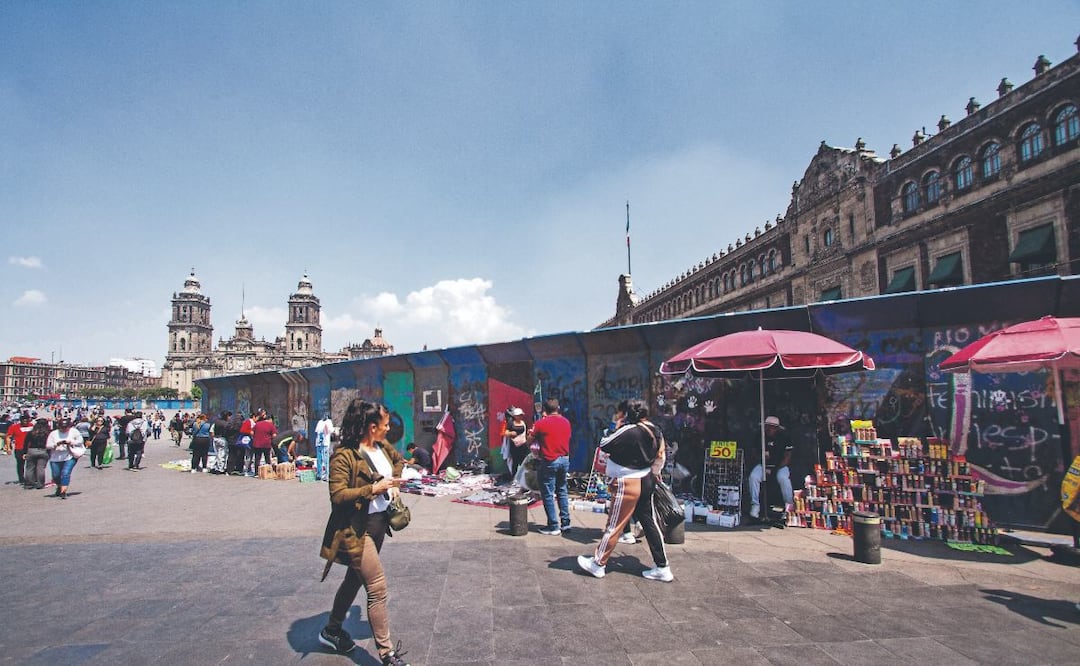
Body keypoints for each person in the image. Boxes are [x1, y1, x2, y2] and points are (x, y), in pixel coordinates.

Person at [318, 399, 410, 665]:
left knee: (354, 580)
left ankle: (332, 629)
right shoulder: (344, 455)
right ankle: (387, 653)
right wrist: (372, 489)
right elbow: (337, 495)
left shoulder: (382, 447)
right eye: (385, 424)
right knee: (377, 588)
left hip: (379, 525)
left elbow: (397, 462)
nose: (388, 428)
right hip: (355, 531)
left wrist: (393, 484)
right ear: (371, 427)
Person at [576, 399, 672, 582]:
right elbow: (661, 455)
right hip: (647, 479)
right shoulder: (655, 430)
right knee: (649, 522)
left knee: (615, 524)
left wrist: (616, 424)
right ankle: (662, 567)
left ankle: (598, 564)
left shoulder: (629, 430)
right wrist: (655, 473)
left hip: (629, 483)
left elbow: (604, 443)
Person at [528, 398, 572, 535]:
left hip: (549, 460)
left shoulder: (541, 423)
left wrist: (532, 435)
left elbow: (528, 441)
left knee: (548, 493)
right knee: (562, 491)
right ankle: (566, 523)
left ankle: (553, 526)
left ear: (544, 410)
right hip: (564, 459)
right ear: (558, 408)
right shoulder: (566, 422)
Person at [748, 415, 794, 519]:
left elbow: (787, 458)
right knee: (753, 477)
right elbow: (753, 453)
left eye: (772, 427)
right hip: (763, 465)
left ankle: (789, 506)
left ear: (777, 428)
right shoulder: (759, 437)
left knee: (783, 478)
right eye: (767, 426)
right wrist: (761, 457)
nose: (769, 429)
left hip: (780, 467)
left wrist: (774, 469)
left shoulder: (784, 438)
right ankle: (755, 505)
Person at [46, 416, 85, 499]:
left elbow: (80, 441)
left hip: (70, 455)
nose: (64, 429)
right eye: (62, 427)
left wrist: (70, 442)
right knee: (56, 475)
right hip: (55, 456)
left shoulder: (74, 431)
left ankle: (63, 491)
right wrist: (56, 444)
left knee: (65, 472)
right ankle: (59, 486)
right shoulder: (53, 433)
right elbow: (48, 445)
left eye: (66, 427)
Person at [22, 418, 51, 490]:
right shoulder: (48, 433)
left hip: (32, 450)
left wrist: (24, 452)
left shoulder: (31, 432)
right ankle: (40, 484)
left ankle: (29, 484)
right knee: (40, 468)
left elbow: (26, 443)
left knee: (30, 468)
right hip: (44, 450)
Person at [501, 407, 529, 476]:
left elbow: (526, 433)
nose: (519, 417)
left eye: (520, 415)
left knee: (523, 462)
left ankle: (523, 477)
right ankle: (514, 477)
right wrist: (511, 433)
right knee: (515, 462)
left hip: (523, 446)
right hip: (514, 446)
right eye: (518, 415)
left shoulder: (524, 423)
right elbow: (505, 433)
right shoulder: (511, 423)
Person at [8, 413, 34, 486]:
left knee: (31, 464)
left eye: (27, 420)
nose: (25, 422)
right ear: (20, 420)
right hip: (19, 448)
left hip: (30, 448)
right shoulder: (14, 427)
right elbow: (9, 437)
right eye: (23, 420)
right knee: (20, 464)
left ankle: (30, 478)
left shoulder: (32, 426)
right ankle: (21, 478)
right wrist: (8, 448)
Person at [314, 413, 334, 482]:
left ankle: (322, 475)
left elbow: (318, 431)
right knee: (323, 460)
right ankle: (323, 475)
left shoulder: (323, 422)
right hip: (323, 443)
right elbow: (331, 431)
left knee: (322, 460)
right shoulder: (325, 422)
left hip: (321, 443)